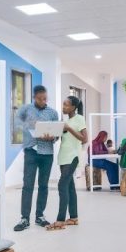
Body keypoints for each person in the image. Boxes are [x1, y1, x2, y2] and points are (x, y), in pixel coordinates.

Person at [14, 85, 59, 231]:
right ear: (34, 97)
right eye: (40, 99)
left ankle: (40, 216)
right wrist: (28, 124)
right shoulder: (26, 109)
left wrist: (53, 137)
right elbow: (16, 123)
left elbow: (57, 133)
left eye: (45, 98)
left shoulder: (53, 113)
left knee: (43, 185)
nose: (43, 101)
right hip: (31, 151)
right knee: (27, 185)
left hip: (47, 153)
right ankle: (24, 218)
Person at [48, 96, 88, 230]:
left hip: (72, 157)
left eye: (66, 105)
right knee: (70, 187)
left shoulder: (79, 118)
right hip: (63, 157)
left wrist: (68, 128)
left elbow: (84, 139)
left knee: (62, 185)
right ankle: (74, 218)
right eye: (63, 104)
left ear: (73, 107)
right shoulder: (65, 121)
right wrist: (51, 135)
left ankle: (60, 220)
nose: (63, 107)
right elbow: (59, 138)